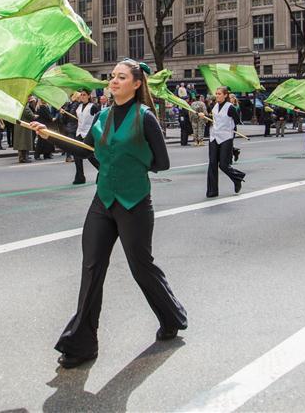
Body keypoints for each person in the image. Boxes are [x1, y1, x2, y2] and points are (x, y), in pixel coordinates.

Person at [28, 59, 187, 369]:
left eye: (121, 77)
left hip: (135, 202)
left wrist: (129, 157)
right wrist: (50, 134)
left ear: (137, 84)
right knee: (92, 269)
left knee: (142, 268)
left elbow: (162, 162)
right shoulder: (101, 116)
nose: (113, 81)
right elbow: (86, 150)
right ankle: (82, 344)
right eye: (112, 77)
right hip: (103, 202)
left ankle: (171, 316)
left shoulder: (145, 117)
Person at [206, 86, 245, 198]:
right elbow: (212, 120)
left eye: (219, 94)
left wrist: (229, 126)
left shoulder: (230, 108)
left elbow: (237, 121)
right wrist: (204, 117)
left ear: (225, 95)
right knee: (212, 164)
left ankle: (237, 178)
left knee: (223, 165)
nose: (217, 95)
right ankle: (212, 191)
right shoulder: (213, 106)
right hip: (213, 137)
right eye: (216, 93)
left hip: (226, 138)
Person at [72, 89, 99, 183]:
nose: (82, 97)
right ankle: (80, 177)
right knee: (77, 155)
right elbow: (72, 114)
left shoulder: (93, 107)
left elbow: (100, 117)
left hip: (88, 133)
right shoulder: (78, 106)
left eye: (84, 95)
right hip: (79, 132)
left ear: (88, 96)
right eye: (81, 95)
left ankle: (102, 170)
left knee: (90, 155)